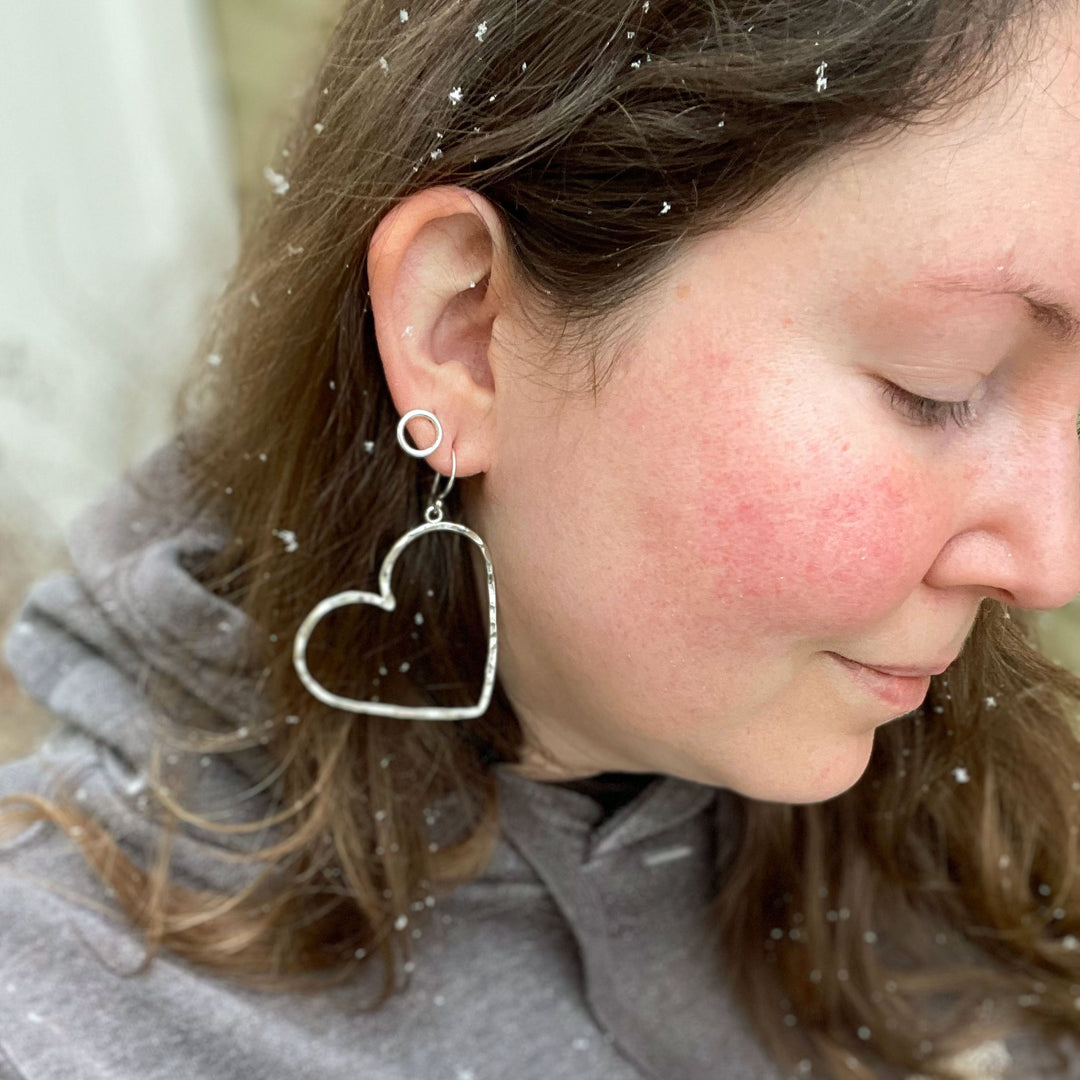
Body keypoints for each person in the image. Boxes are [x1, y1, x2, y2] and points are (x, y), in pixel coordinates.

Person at [3, 0, 1080, 1076]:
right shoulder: (66, 1026)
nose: (1052, 566)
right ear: (464, 329)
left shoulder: (988, 848)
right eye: (941, 385)